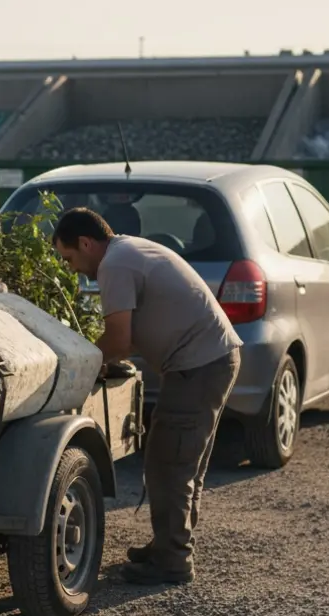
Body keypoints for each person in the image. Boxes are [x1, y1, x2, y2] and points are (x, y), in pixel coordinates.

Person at [52, 207, 242, 585]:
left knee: (169, 466)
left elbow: (118, 340)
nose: (71, 267)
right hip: (210, 360)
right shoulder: (128, 251)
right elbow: (131, 335)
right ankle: (169, 545)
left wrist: (78, 366)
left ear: (87, 243)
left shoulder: (115, 266)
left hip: (198, 366)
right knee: (182, 464)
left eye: (70, 258)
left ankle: (173, 561)